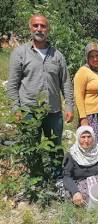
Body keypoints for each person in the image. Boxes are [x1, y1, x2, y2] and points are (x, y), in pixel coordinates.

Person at [7, 14, 74, 177]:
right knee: (32, 147)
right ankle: (37, 180)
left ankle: (57, 178)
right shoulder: (20, 53)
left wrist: (69, 105)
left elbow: (65, 82)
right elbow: (13, 85)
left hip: (54, 111)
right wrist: (16, 108)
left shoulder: (57, 55)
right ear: (30, 28)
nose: (39, 29)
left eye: (43, 26)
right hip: (29, 111)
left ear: (48, 29)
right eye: (36, 25)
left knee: (55, 146)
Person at [62, 126, 98, 206]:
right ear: (78, 138)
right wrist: (75, 192)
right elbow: (66, 176)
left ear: (93, 137)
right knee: (76, 198)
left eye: (89, 137)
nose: (86, 141)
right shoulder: (72, 154)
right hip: (82, 185)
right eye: (83, 137)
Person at [74, 43, 98, 145]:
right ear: (87, 58)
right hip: (92, 116)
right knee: (93, 144)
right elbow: (78, 96)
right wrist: (83, 118)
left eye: (97, 55)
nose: (95, 59)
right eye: (91, 56)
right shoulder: (83, 71)